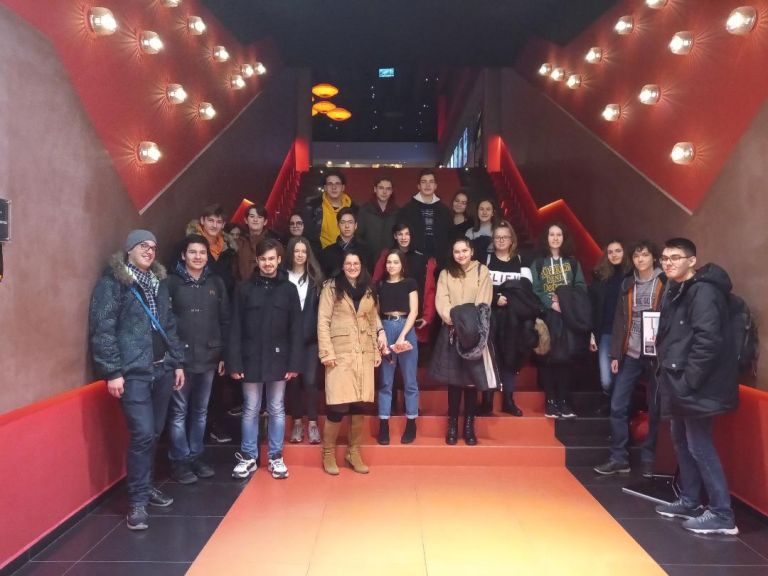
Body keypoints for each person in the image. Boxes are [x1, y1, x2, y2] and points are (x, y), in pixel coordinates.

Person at [89, 230, 185, 531]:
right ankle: (138, 502)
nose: (149, 251)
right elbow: (103, 329)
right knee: (143, 434)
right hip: (133, 373)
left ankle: (146, 486)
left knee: (153, 433)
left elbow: (169, 325)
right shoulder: (113, 283)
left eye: (153, 247)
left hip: (162, 369)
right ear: (129, 249)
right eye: (143, 246)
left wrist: (176, 362)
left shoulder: (158, 283)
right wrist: (112, 371)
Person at [654, 238, 739, 535]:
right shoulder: (675, 288)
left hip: (696, 385)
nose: (668, 263)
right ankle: (690, 501)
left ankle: (722, 514)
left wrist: (690, 379)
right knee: (681, 439)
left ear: (692, 260)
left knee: (699, 445)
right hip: (678, 380)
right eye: (665, 258)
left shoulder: (703, 291)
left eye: (675, 258)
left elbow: (708, 341)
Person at [227, 239, 302, 480]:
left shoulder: (289, 289)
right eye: (263, 259)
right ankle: (249, 456)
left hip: (279, 358)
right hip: (250, 358)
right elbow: (235, 327)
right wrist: (234, 362)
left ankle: (275, 457)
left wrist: (294, 363)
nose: (268, 263)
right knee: (250, 408)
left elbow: (296, 329)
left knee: (277, 408)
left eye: (272, 259)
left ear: (279, 260)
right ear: (257, 261)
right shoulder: (244, 289)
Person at [594, 241, 664, 477]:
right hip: (631, 352)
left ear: (653, 258)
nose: (640, 260)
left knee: (656, 407)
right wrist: (616, 353)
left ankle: (650, 458)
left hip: (657, 356)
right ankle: (619, 458)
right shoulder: (628, 283)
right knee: (618, 404)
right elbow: (619, 320)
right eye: (636, 256)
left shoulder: (665, 283)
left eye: (645, 255)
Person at [166, 235, 230, 484]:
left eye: (202, 252)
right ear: (184, 255)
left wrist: (223, 353)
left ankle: (195, 456)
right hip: (180, 359)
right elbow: (165, 324)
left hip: (209, 356)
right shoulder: (171, 283)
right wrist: (174, 358)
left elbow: (224, 320)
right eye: (192, 252)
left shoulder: (216, 282)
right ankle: (179, 461)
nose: (198, 257)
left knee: (200, 411)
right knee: (179, 411)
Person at [317, 252, 387, 475]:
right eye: (348, 263)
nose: (352, 266)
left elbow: (373, 319)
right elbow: (323, 321)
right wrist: (326, 352)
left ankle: (353, 452)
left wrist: (376, 349)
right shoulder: (331, 287)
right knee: (338, 405)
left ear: (361, 265)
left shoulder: (368, 288)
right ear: (342, 266)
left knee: (360, 404)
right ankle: (328, 453)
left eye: (356, 263)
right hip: (339, 353)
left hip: (364, 352)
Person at [431, 238, 495, 445]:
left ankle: (469, 426)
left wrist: (469, 324)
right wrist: (457, 321)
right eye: (457, 251)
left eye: (464, 250)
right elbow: (442, 302)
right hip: (452, 331)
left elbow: (483, 302)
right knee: (454, 381)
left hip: (474, 333)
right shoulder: (445, 273)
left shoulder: (482, 271)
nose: (461, 255)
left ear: (471, 251)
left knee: (470, 382)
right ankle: (452, 425)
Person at [532, 222, 589, 419]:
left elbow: (580, 287)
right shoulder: (538, 263)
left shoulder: (573, 263)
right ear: (546, 238)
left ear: (564, 238)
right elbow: (535, 289)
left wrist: (565, 301)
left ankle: (563, 401)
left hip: (568, 317)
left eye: (559, 234)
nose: (555, 238)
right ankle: (550, 401)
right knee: (548, 358)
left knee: (565, 359)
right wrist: (551, 302)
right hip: (547, 317)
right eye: (552, 234)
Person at [481, 221, 536, 417]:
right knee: (490, 358)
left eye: (505, 237)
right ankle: (487, 400)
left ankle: (508, 401)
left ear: (512, 239)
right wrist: (495, 297)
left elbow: (526, 289)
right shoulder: (486, 260)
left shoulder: (521, 261)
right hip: (490, 316)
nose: (501, 240)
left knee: (510, 358)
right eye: (497, 237)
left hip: (513, 318)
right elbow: (480, 288)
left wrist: (507, 296)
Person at [376, 250, 420, 445]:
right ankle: (383, 423)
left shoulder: (410, 283)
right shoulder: (380, 285)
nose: (391, 265)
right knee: (386, 380)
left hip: (406, 328)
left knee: (410, 380)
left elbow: (414, 311)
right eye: (389, 262)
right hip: (386, 327)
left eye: (395, 262)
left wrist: (403, 335)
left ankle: (411, 421)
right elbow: (375, 312)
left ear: (402, 264)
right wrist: (381, 332)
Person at [284, 236, 324, 445]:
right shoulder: (282, 276)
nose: (300, 255)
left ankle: (313, 423)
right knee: (293, 382)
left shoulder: (316, 278)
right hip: (288, 339)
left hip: (310, 338)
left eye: (303, 251)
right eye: (296, 251)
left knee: (310, 381)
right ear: (290, 253)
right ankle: (297, 423)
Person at [372, 222, 436, 343]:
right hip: (388, 317)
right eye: (400, 234)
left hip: (416, 316)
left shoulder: (422, 257)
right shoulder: (387, 256)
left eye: (407, 234)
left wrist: (428, 315)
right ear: (395, 236)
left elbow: (429, 288)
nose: (404, 237)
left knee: (413, 351)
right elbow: (375, 283)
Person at [589, 240, 631, 415]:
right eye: (610, 252)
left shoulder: (632, 276)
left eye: (618, 251)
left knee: (623, 376)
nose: (614, 254)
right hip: (606, 332)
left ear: (624, 252)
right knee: (606, 379)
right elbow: (593, 307)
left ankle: (618, 410)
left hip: (628, 334)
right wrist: (592, 333)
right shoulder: (600, 277)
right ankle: (612, 403)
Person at [398, 169, 453, 265]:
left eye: (431, 182)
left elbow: (449, 236)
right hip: (414, 259)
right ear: (418, 186)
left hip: (440, 260)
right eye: (424, 182)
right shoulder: (407, 210)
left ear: (435, 186)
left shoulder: (445, 210)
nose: (428, 185)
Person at [303, 169, 356, 252]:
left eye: (337, 184)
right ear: (325, 187)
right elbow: (308, 236)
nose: (334, 187)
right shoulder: (313, 208)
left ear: (343, 187)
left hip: (349, 255)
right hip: (321, 255)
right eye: (330, 184)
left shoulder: (354, 209)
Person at [234, 203, 280, 283]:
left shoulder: (273, 243)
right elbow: (234, 270)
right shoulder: (238, 243)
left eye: (259, 217)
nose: (255, 220)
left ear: (265, 222)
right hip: (242, 288)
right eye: (252, 216)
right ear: (246, 220)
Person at [320, 207, 373, 277]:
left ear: (355, 225)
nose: (347, 226)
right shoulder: (327, 252)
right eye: (343, 222)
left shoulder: (366, 251)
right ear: (338, 225)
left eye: (350, 222)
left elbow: (368, 277)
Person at [357, 176, 399, 260]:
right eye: (381, 188)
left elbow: (399, 238)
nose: (384, 192)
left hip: (391, 261)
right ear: (375, 189)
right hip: (368, 260)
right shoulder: (364, 210)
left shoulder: (397, 212)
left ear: (391, 191)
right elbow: (358, 236)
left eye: (388, 189)